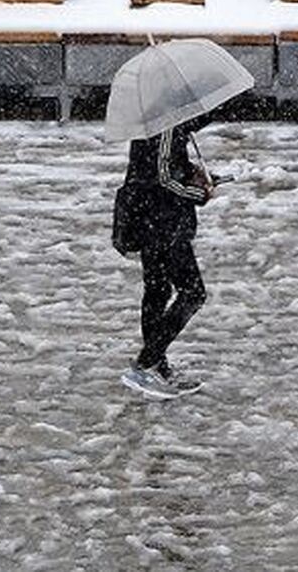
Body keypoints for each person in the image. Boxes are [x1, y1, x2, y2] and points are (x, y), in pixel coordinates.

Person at [118, 113, 216, 395]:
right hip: (164, 223)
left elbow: (158, 169)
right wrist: (198, 194)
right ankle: (146, 363)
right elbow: (162, 178)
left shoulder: (153, 121)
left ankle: (156, 367)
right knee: (193, 293)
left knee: (158, 291)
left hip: (148, 219)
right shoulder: (167, 124)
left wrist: (193, 174)